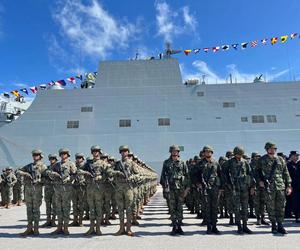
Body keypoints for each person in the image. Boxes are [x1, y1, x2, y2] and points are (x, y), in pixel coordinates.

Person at [258, 142, 292, 234]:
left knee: (281, 206)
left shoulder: (280, 159)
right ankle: (273, 225)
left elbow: (286, 172)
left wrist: (288, 185)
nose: (273, 150)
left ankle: (280, 225)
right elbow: (256, 172)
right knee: (271, 207)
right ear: (267, 149)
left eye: (274, 149)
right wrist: (260, 181)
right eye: (271, 149)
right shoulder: (262, 160)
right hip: (269, 187)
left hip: (280, 186)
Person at [223, 146, 255, 234]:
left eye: (240, 154)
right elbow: (223, 173)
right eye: (237, 154)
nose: (239, 156)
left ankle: (245, 226)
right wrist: (228, 183)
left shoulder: (245, 162)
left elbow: (250, 173)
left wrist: (252, 186)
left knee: (245, 207)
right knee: (236, 208)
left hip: (244, 188)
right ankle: (239, 226)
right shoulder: (229, 162)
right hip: (235, 188)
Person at [160, 145, 190, 235]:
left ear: (178, 152)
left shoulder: (182, 163)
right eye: (173, 151)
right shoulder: (166, 162)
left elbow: (187, 176)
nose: (175, 152)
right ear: (170, 152)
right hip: (171, 188)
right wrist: (165, 187)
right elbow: (163, 176)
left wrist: (187, 189)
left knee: (180, 207)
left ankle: (179, 226)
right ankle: (174, 226)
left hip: (180, 188)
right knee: (172, 208)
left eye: (176, 151)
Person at [17, 149, 47, 236]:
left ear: (40, 156)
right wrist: (25, 174)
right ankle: (29, 228)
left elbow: (47, 178)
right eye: (34, 155)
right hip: (28, 190)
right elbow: (18, 171)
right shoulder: (29, 166)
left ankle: (36, 228)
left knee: (36, 210)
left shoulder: (43, 166)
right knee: (29, 209)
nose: (35, 156)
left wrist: (39, 180)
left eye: (37, 155)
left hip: (37, 190)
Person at [113, 145, 140, 236]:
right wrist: (117, 173)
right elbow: (110, 172)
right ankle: (121, 228)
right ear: (120, 153)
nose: (124, 152)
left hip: (128, 188)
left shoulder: (132, 163)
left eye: (125, 151)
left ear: (128, 152)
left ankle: (128, 228)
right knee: (120, 209)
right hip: (119, 189)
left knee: (129, 209)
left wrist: (132, 177)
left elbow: (138, 175)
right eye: (122, 151)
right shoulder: (117, 164)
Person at [49, 148, 77, 235]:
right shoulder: (56, 165)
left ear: (67, 155)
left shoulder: (71, 164)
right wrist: (52, 174)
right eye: (61, 154)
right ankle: (59, 227)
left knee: (66, 208)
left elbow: (75, 174)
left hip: (67, 189)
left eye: (64, 154)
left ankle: (65, 227)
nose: (63, 155)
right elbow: (50, 174)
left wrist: (69, 178)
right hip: (57, 189)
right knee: (58, 208)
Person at [196, 146, 223, 234]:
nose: (208, 153)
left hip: (215, 188)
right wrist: (198, 183)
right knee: (207, 207)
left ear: (211, 153)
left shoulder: (215, 163)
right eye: (206, 152)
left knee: (215, 207)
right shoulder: (200, 164)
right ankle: (208, 226)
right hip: (205, 188)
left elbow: (220, 174)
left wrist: (221, 188)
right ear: (204, 153)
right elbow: (194, 174)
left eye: (209, 152)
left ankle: (214, 226)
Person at [42, 154, 58, 227]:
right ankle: (48, 220)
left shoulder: (59, 167)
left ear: (56, 159)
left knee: (54, 205)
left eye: (53, 159)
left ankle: (54, 220)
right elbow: (42, 177)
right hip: (48, 188)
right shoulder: (47, 168)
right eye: (50, 159)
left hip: (56, 188)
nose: (52, 160)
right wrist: (45, 180)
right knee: (47, 205)